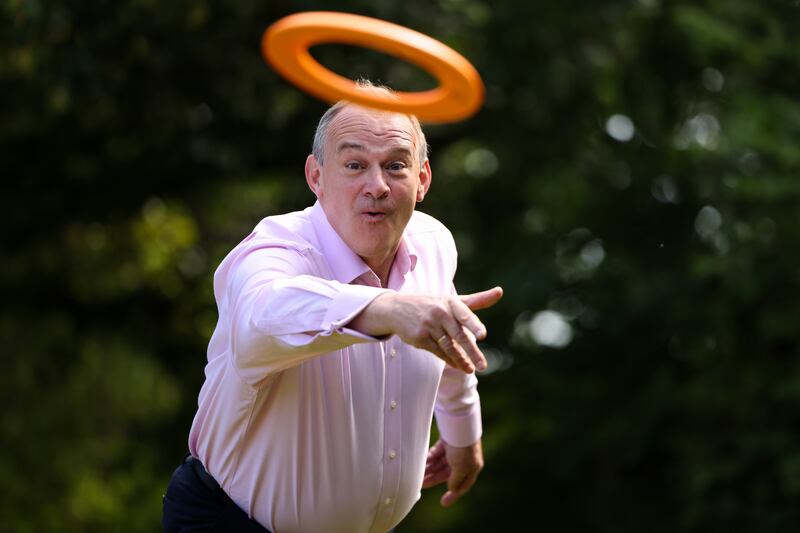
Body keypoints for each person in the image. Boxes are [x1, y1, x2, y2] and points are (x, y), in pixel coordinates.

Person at [162, 81, 503, 533]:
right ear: (316, 176)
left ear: (422, 180)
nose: (377, 186)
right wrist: (387, 308)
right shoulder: (273, 250)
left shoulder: (434, 242)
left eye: (396, 166)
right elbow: (261, 320)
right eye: (355, 164)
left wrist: (462, 433)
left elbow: (443, 330)